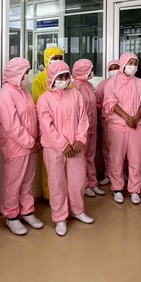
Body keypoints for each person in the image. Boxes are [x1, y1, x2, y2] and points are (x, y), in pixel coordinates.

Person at [37, 61, 93, 236]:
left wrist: (80, 139)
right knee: (57, 183)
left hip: (76, 146)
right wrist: (63, 145)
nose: (63, 79)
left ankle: (77, 210)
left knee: (78, 181)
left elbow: (83, 118)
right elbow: (47, 126)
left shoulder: (75, 94)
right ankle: (60, 217)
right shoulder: (44, 99)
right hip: (54, 148)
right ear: (52, 78)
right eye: (59, 76)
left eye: (65, 76)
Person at [0, 57, 44, 236]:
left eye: (27, 72)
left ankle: (27, 211)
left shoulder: (24, 92)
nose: (27, 76)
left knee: (27, 181)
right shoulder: (5, 95)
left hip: (30, 146)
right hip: (16, 147)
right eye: (25, 73)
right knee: (13, 183)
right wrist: (31, 142)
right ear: (16, 74)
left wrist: (37, 138)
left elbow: (34, 114)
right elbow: (12, 126)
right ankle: (11, 216)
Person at [103, 53, 141, 205]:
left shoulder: (140, 84)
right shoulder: (112, 83)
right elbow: (110, 103)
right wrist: (127, 118)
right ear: (123, 64)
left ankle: (135, 190)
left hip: (137, 126)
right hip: (117, 125)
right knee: (116, 158)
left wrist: (135, 118)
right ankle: (117, 188)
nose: (133, 66)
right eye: (130, 63)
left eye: (135, 63)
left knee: (136, 158)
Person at [32, 47, 66, 200]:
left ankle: (65, 197)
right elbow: (40, 106)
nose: (57, 61)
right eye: (54, 58)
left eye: (60, 58)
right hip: (49, 129)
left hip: (66, 130)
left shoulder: (66, 77)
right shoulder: (40, 79)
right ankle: (50, 196)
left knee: (66, 166)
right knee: (49, 166)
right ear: (47, 60)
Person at [72, 59, 105, 197]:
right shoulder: (74, 87)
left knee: (91, 156)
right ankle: (84, 184)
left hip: (92, 126)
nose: (91, 72)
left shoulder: (89, 85)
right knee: (81, 158)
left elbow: (93, 104)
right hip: (81, 129)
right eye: (89, 70)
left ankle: (93, 183)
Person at [95, 60, 120, 186]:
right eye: (111, 68)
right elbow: (98, 103)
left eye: (116, 67)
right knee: (108, 149)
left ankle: (120, 173)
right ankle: (109, 174)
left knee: (121, 150)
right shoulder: (103, 84)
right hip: (107, 121)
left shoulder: (125, 84)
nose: (114, 71)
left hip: (122, 122)